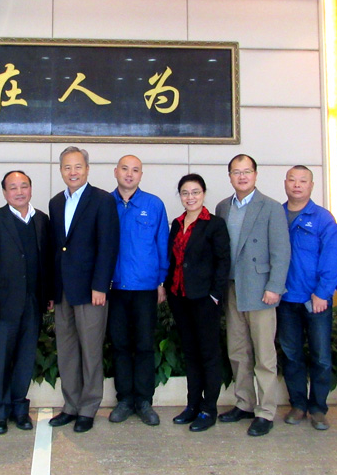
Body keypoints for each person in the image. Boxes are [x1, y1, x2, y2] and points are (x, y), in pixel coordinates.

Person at [215, 154, 290, 437]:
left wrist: (275, 286)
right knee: (238, 351)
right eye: (236, 172)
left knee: (264, 355)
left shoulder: (271, 207)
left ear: (256, 175)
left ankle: (266, 411)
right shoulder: (223, 207)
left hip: (260, 289)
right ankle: (244, 403)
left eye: (247, 171)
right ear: (230, 177)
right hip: (232, 287)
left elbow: (281, 251)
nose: (242, 177)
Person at [48, 146, 119, 433]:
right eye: (67, 167)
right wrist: (52, 290)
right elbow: (57, 249)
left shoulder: (102, 200)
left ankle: (88, 407)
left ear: (87, 169)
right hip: (63, 290)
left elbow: (108, 245)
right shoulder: (55, 202)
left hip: (91, 290)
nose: (73, 172)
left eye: (78, 166)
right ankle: (71, 405)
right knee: (66, 350)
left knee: (90, 350)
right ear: (61, 170)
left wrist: (101, 285)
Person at [0, 171, 51, 435]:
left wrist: (48, 294)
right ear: (4, 192)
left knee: (25, 359)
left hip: (33, 301)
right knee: (0, 360)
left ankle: (19, 408)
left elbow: (46, 261)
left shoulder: (42, 220)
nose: (19, 192)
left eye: (24, 186)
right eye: (13, 187)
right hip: (2, 304)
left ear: (30, 189)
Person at [165, 173, 231, 432]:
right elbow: (172, 259)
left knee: (209, 354)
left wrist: (215, 295)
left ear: (203, 194)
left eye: (195, 192)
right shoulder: (177, 223)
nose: (190, 197)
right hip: (180, 297)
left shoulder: (214, 224)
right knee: (191, 353)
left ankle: (208, 408)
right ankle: (192, 404)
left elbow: (223, 262)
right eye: (185, 192)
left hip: (204, 299)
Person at [107, 155, 169, 426]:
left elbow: (162, 244)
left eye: (135, 170)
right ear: (115, 172)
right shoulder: (104, 204)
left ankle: (144, 401)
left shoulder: (154, 205)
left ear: (141, 175)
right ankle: (124, 400)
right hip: (114, 288)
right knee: (120, 345)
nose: (129, 174)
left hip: (145, 288)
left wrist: (161, 282)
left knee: (144, 346)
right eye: (125, 169)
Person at [279, 165, 337, 431]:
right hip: (284, 299)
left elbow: (332, 258)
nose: (297, 185)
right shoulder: (276, 214)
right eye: (292, 180)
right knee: (291, 355)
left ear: (311, 186)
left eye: (303, 181)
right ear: (285, 183)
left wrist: (323, 293)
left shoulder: (323, 218)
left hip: (316, 299)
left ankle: (318, 408)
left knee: (321, 356)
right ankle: (298, 405)